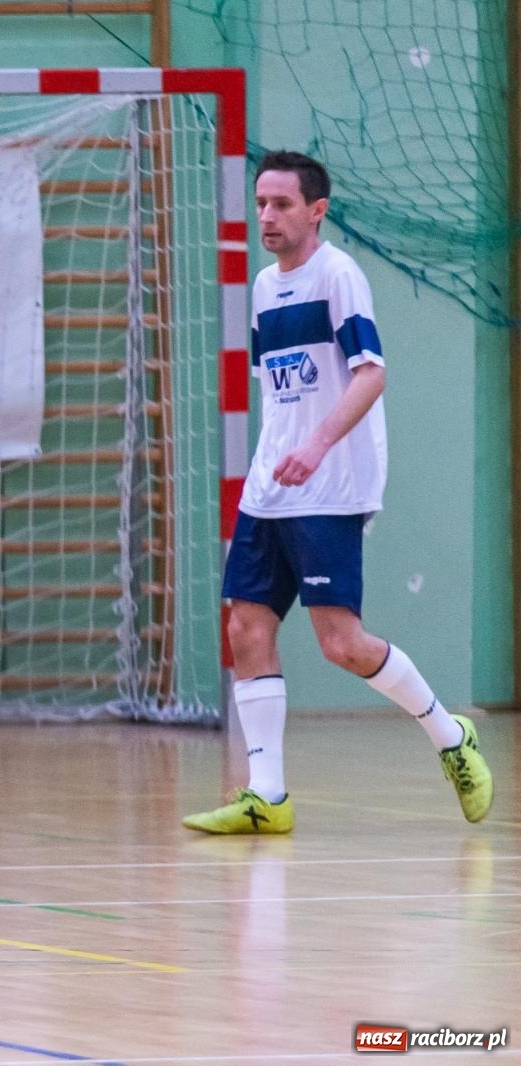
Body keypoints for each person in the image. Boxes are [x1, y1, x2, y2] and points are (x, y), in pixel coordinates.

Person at [183, 152, 494, 834]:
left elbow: (370, 374)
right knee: (246, 626)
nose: (266, 215)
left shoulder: (338, 277)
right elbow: (281, 391)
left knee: (340, 644)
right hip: (275, 486)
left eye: (282, 204)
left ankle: (451, 738)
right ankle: (267, 796)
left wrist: (318, 446)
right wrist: (275, 459)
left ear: (315, 210)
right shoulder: (265, 288)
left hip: (331, 483)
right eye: (260, 203)